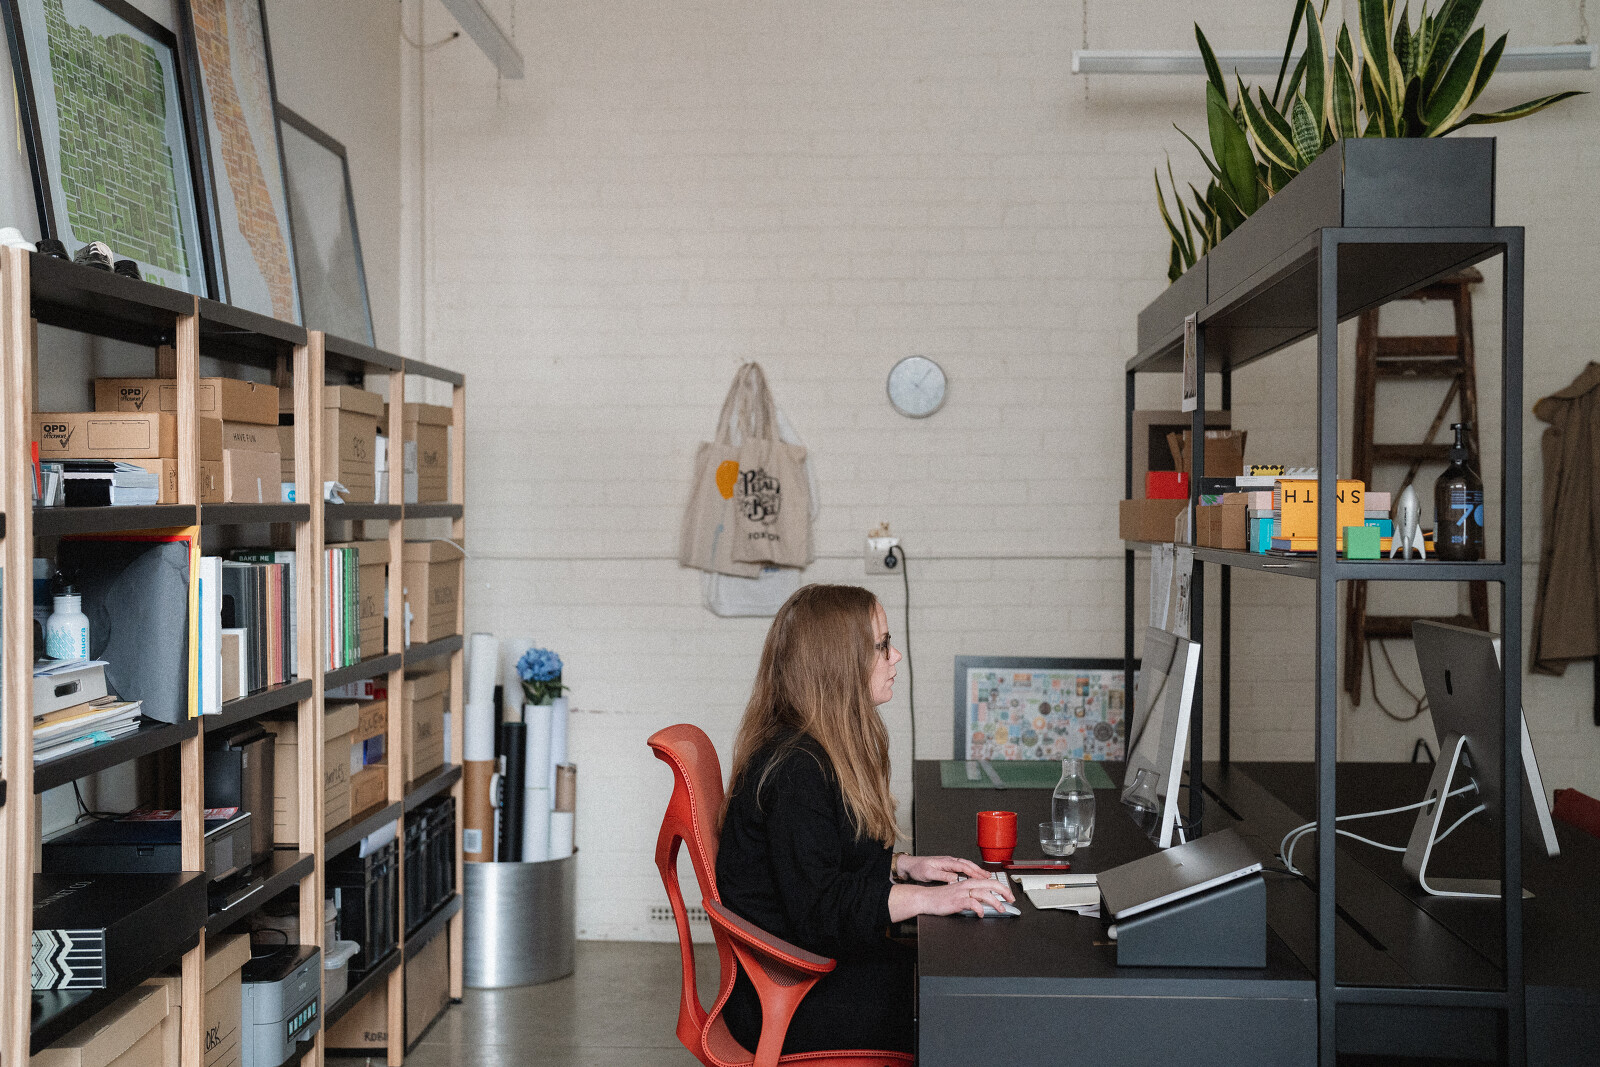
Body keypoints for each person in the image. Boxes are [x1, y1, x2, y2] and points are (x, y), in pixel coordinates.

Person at [716, 584, 1014, 1055]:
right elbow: (820, 910)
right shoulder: (796, 770)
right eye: (881, 645)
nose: (896, 656)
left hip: (809, 974)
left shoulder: (815, 747)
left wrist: (902, 866)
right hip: (792, 996)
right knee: (968, 999)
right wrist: (930, 899)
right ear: (839, 663)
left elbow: (822, 863)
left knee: (959, 977)